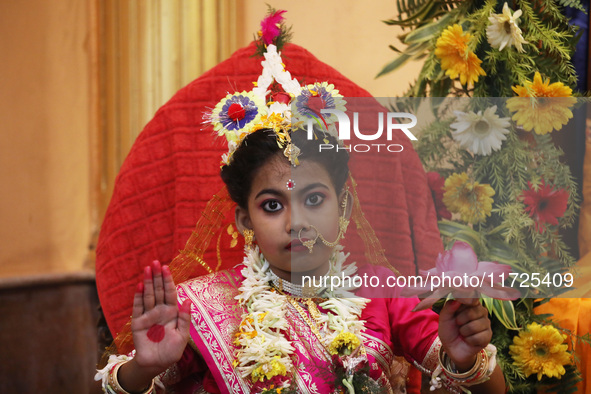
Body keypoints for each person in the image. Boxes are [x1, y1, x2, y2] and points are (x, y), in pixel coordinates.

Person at [95, 16, 505, 393]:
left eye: (313, 199)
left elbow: (488, 388)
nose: (297, 223)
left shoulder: (381, 292)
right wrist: (144, 369)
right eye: (273, 206)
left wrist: (465, 359)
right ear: (244, 220)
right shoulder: (202, 308)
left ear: (343, 208)